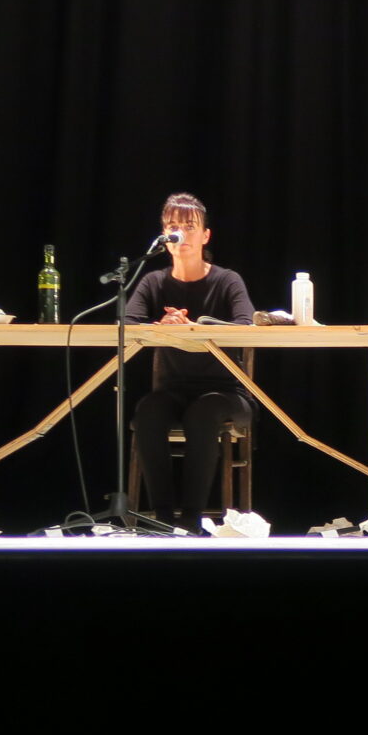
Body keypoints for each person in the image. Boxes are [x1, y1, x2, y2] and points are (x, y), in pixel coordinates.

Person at [123, 192, 256, 532]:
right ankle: (163, 521)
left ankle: (193, 521)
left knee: (204, 412)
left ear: (205, 235)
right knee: (148, 411)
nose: (179, 232)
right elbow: (128, 322)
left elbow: (246, 326)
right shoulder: (154, 281)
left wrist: (196, 327)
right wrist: (161, 326)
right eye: (172, 226)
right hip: (174, 389)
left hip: (226, 392)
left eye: (188, 226)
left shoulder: (227, 280)